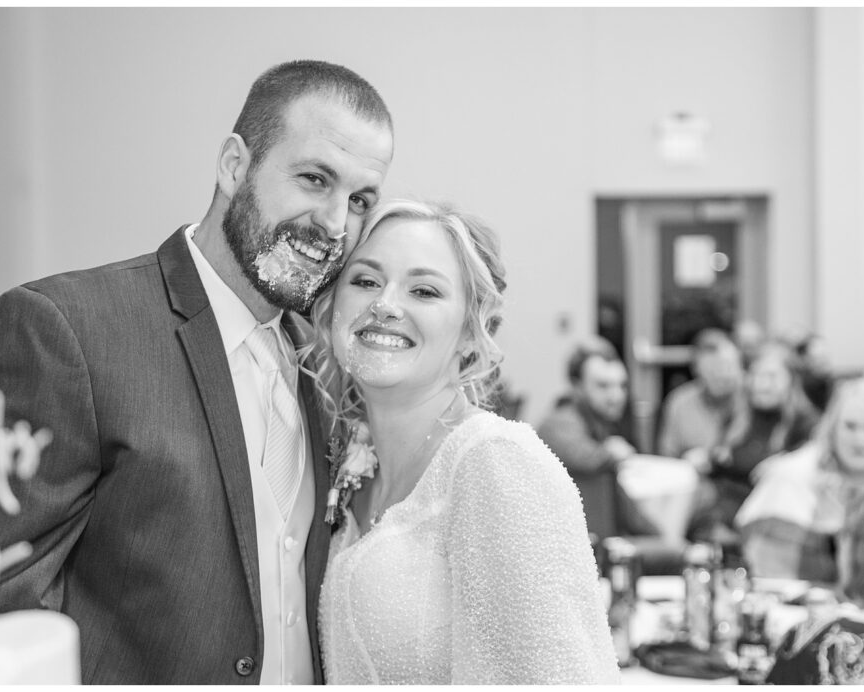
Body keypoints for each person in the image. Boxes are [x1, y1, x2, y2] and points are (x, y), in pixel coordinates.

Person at [0, 60, 395, 684]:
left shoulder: (324, 361)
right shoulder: (62, 329)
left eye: (360, 200)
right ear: (235, 165)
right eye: (315, 179)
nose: (337, 225)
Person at [308, 200, 618, 683]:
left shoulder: (497, 463)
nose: (385, 304)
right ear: (332, 310)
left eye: (424, 290)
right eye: (366, 281)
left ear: (471, 333)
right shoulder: (351, 467)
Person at [735, 376, 864, 599]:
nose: (860, 440)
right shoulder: (792, 478)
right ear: (833, 427)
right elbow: (771, 580)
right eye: (850, 426)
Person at [690, 341, 820, 543]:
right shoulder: (737, 417)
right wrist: (706, 459)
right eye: (756, 375)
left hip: (769, 525)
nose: (761, 384)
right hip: (721, 514)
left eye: (771, 377)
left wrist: (784, 463)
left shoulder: (804, 424)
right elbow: (721, 463)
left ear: (791, 381)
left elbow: (811, 468)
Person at [536, 336, 651, 536]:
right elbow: (583, 458)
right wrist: (610, 453)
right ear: (576, 386)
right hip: (575, 545)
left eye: (622, 386)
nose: (616, 396)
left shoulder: (602, 423)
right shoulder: (560, 421)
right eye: (603, 386)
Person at [657, 328, 746, 463]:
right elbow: (667, 459)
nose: (722, 375)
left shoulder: (754, 398)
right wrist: (686, 461)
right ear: (696, 370)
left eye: (728, 367)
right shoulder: (680, 402)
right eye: (713, 370)